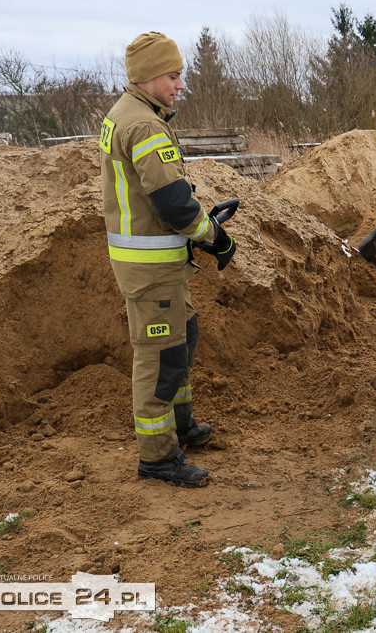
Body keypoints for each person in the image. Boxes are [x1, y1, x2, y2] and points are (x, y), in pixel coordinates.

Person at [99, 32, 236, 488]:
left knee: (183, 337)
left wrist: (197, 231)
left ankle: (180, 426)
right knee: (159, 357)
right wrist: (214, 237)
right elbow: (176, 207)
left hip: (159, 264)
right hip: (150, 269)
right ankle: (157, 457)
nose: (181, 85)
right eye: (174, 76)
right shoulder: (143, 126)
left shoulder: (132, 113)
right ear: (149, 76)